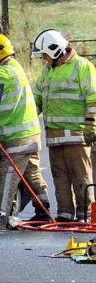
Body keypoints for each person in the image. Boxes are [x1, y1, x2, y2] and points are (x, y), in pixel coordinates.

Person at [0, 34, 51, 222]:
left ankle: (0, 213)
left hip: (17, 137)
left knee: (7, 173)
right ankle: (43, 209)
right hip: (29, 135)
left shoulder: (5, 72)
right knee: (31, 173)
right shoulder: (15, 67)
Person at [32, 29, 96, 222]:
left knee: (81, 177)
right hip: (54, 136)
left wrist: (91, 125)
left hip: (77, 136)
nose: (43, 59)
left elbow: (93, 97)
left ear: (55, 51)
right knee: (59, 178)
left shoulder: (82, 67)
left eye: (45, 55)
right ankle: (65, 215)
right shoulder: (48, 71)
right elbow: (36, 97)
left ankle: (86, 215)